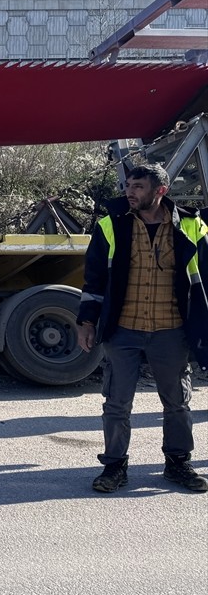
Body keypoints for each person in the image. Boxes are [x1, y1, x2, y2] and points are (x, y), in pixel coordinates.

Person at [77, 163, 208, 493]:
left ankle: (178, 464)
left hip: (171, 330)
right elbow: (94, 279)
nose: (129, 192)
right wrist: (86, 322)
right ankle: (114, 467)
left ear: (160, 191)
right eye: (128, 186)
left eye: (138, 187)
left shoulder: (192, 225)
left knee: (177, 402)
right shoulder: (111, 224)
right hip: (123, 330)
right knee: (116, 403)